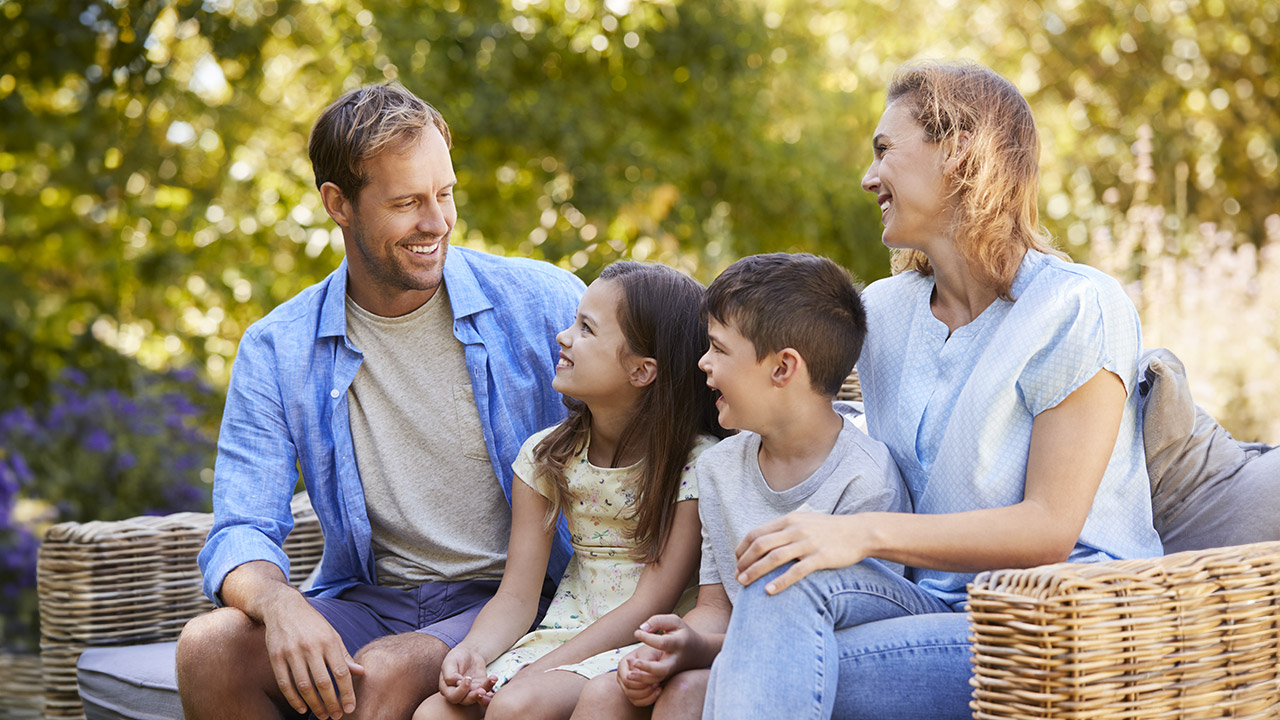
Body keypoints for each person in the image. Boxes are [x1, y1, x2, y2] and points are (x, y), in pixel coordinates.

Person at [702, 61, 1164, 719]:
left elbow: (1049, 529)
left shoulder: (1076, 306)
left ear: (958, 149)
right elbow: (784, 382)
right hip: (934, 601)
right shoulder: (885, 312)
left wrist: (861, 533)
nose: (868, 178)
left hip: (1054, 622)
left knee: (751, 679)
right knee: (784, 575)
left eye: (884, 151)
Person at [175, 83, 585, 720]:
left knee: (386, 673)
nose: (437, 221)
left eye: (445, 194)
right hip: (371, 599)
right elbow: (242, 528)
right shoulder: (278, 348)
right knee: (209, 647)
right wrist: (280, 605)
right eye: (406, 202)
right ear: (338, 204)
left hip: (512, 598)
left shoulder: (542, 302)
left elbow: (665, 419)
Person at [569, 253, 910, 720]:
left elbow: (848, 638)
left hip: (817, 668)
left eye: (718, 348)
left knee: (687, 692)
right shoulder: (719, 467)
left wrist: (701, 652)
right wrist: (680, 645)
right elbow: (715, 604)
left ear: (782, 369)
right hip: (735, 650)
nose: (702, 363)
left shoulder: (865, 482)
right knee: (606, 695)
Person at [414, 261, 726, 720]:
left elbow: (652, 601)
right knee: (433, 715)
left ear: (642, 371)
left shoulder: (696, 464)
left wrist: (542, 671)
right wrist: (474, 652)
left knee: (515, 707)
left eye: (586, 328)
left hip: (637, 640)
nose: (564, 336)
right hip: (563, 631)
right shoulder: (547, 456)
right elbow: (518, 596)